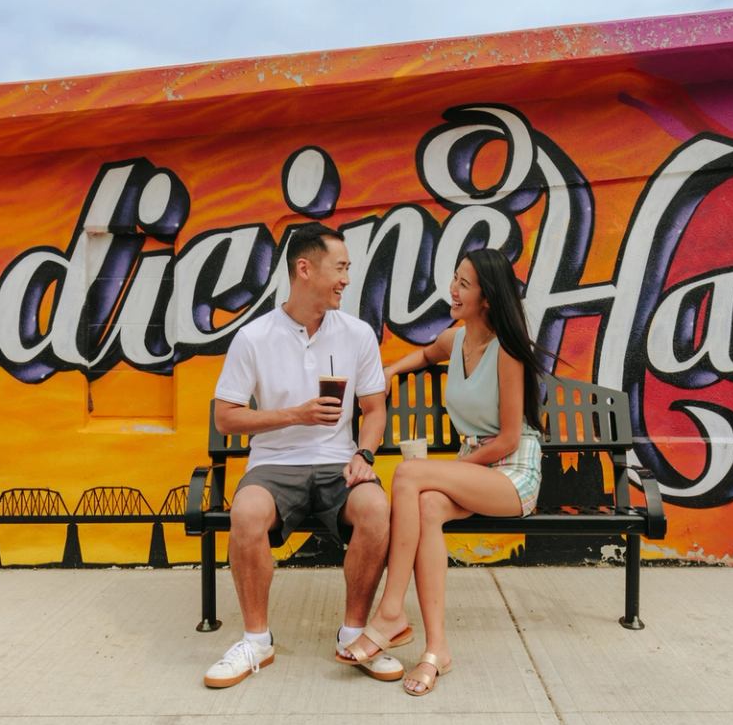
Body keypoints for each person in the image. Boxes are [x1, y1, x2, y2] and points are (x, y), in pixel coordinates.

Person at [203, 222, 405, 688]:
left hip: (339, 463)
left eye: (348, 269)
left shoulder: (357, 334)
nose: (346, 280)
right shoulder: (254, 337)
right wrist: (295, 415)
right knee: (246, 513)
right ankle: (256, 641)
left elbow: (374, 410)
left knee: (376, 508)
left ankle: (355, 635)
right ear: (305, 269)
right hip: (274, 465)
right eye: (340, 268)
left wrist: (365, 454)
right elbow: (226, 419)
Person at [337, 247, 545, 696]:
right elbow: (427, 355)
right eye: (455, 279)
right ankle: (437, 650)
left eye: (464, 284)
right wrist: (391, 370)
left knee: (410, 476)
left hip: (513, 472)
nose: (452, 289)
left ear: (486, 298)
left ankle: (391, 611)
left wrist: (449, 470)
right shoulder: (457, 339)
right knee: (428, 506)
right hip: (475, 468)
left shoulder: (508, 351)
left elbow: (509, 439)